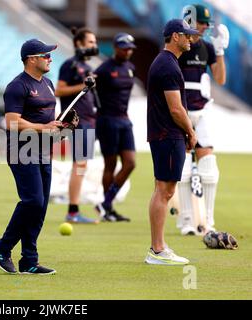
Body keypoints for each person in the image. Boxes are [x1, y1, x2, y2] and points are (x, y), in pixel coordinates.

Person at [0, 39, 61, 275]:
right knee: (33, 201)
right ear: (32, 59)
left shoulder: (49, 83)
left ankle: (29, 260)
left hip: (44, 151)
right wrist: (45, 128)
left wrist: (61, 128)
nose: (50, 59)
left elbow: (48, 121)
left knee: (40, 207)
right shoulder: (17, 86)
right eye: (46, 56)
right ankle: (3, 247)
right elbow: (12, 122)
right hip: (21, 150)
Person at [145, 19, 198, 265]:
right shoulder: (167, 65)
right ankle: (157, 250)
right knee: (165, 191)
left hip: (164, 134)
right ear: (175, 36)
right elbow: (176, 109)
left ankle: (158, 247)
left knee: (162, 190)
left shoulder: (166, 62)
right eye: (187, 35)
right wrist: (191, 131)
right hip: (168, 134)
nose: (190, 39)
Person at [176, 4, 228, 235]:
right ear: (188, 21)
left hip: (202, 111)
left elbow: (220, 79)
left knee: (209, 166)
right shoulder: (177, 46)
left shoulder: (206, 47)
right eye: (202, 23)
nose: (206, 27)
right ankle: (186, 220)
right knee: (184, 168)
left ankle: (208, 221)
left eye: (207, 23)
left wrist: (219, 51)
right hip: (181, 110)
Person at [55, 27, 99, 224]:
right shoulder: (70, 64)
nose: (94, 46)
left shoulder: (85, 66)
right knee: (79, 165)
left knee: (82, 165)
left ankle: (74, 209)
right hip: (78, 121)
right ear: (79, 43)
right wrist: (82, 86)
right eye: (90, 42)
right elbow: (59, 90)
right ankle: (73, 211)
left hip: (89, 120)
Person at [94, 33, 137, 222]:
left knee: (130, 163)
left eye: (130, 48)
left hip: (124, 120)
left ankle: (106, 203)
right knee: (110, 164)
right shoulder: (104, 69)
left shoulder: (131, 68)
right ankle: (108, 208)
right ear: (115, 47)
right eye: (124, 47)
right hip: (107, 121)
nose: (127, 51)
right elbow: (90, 92)